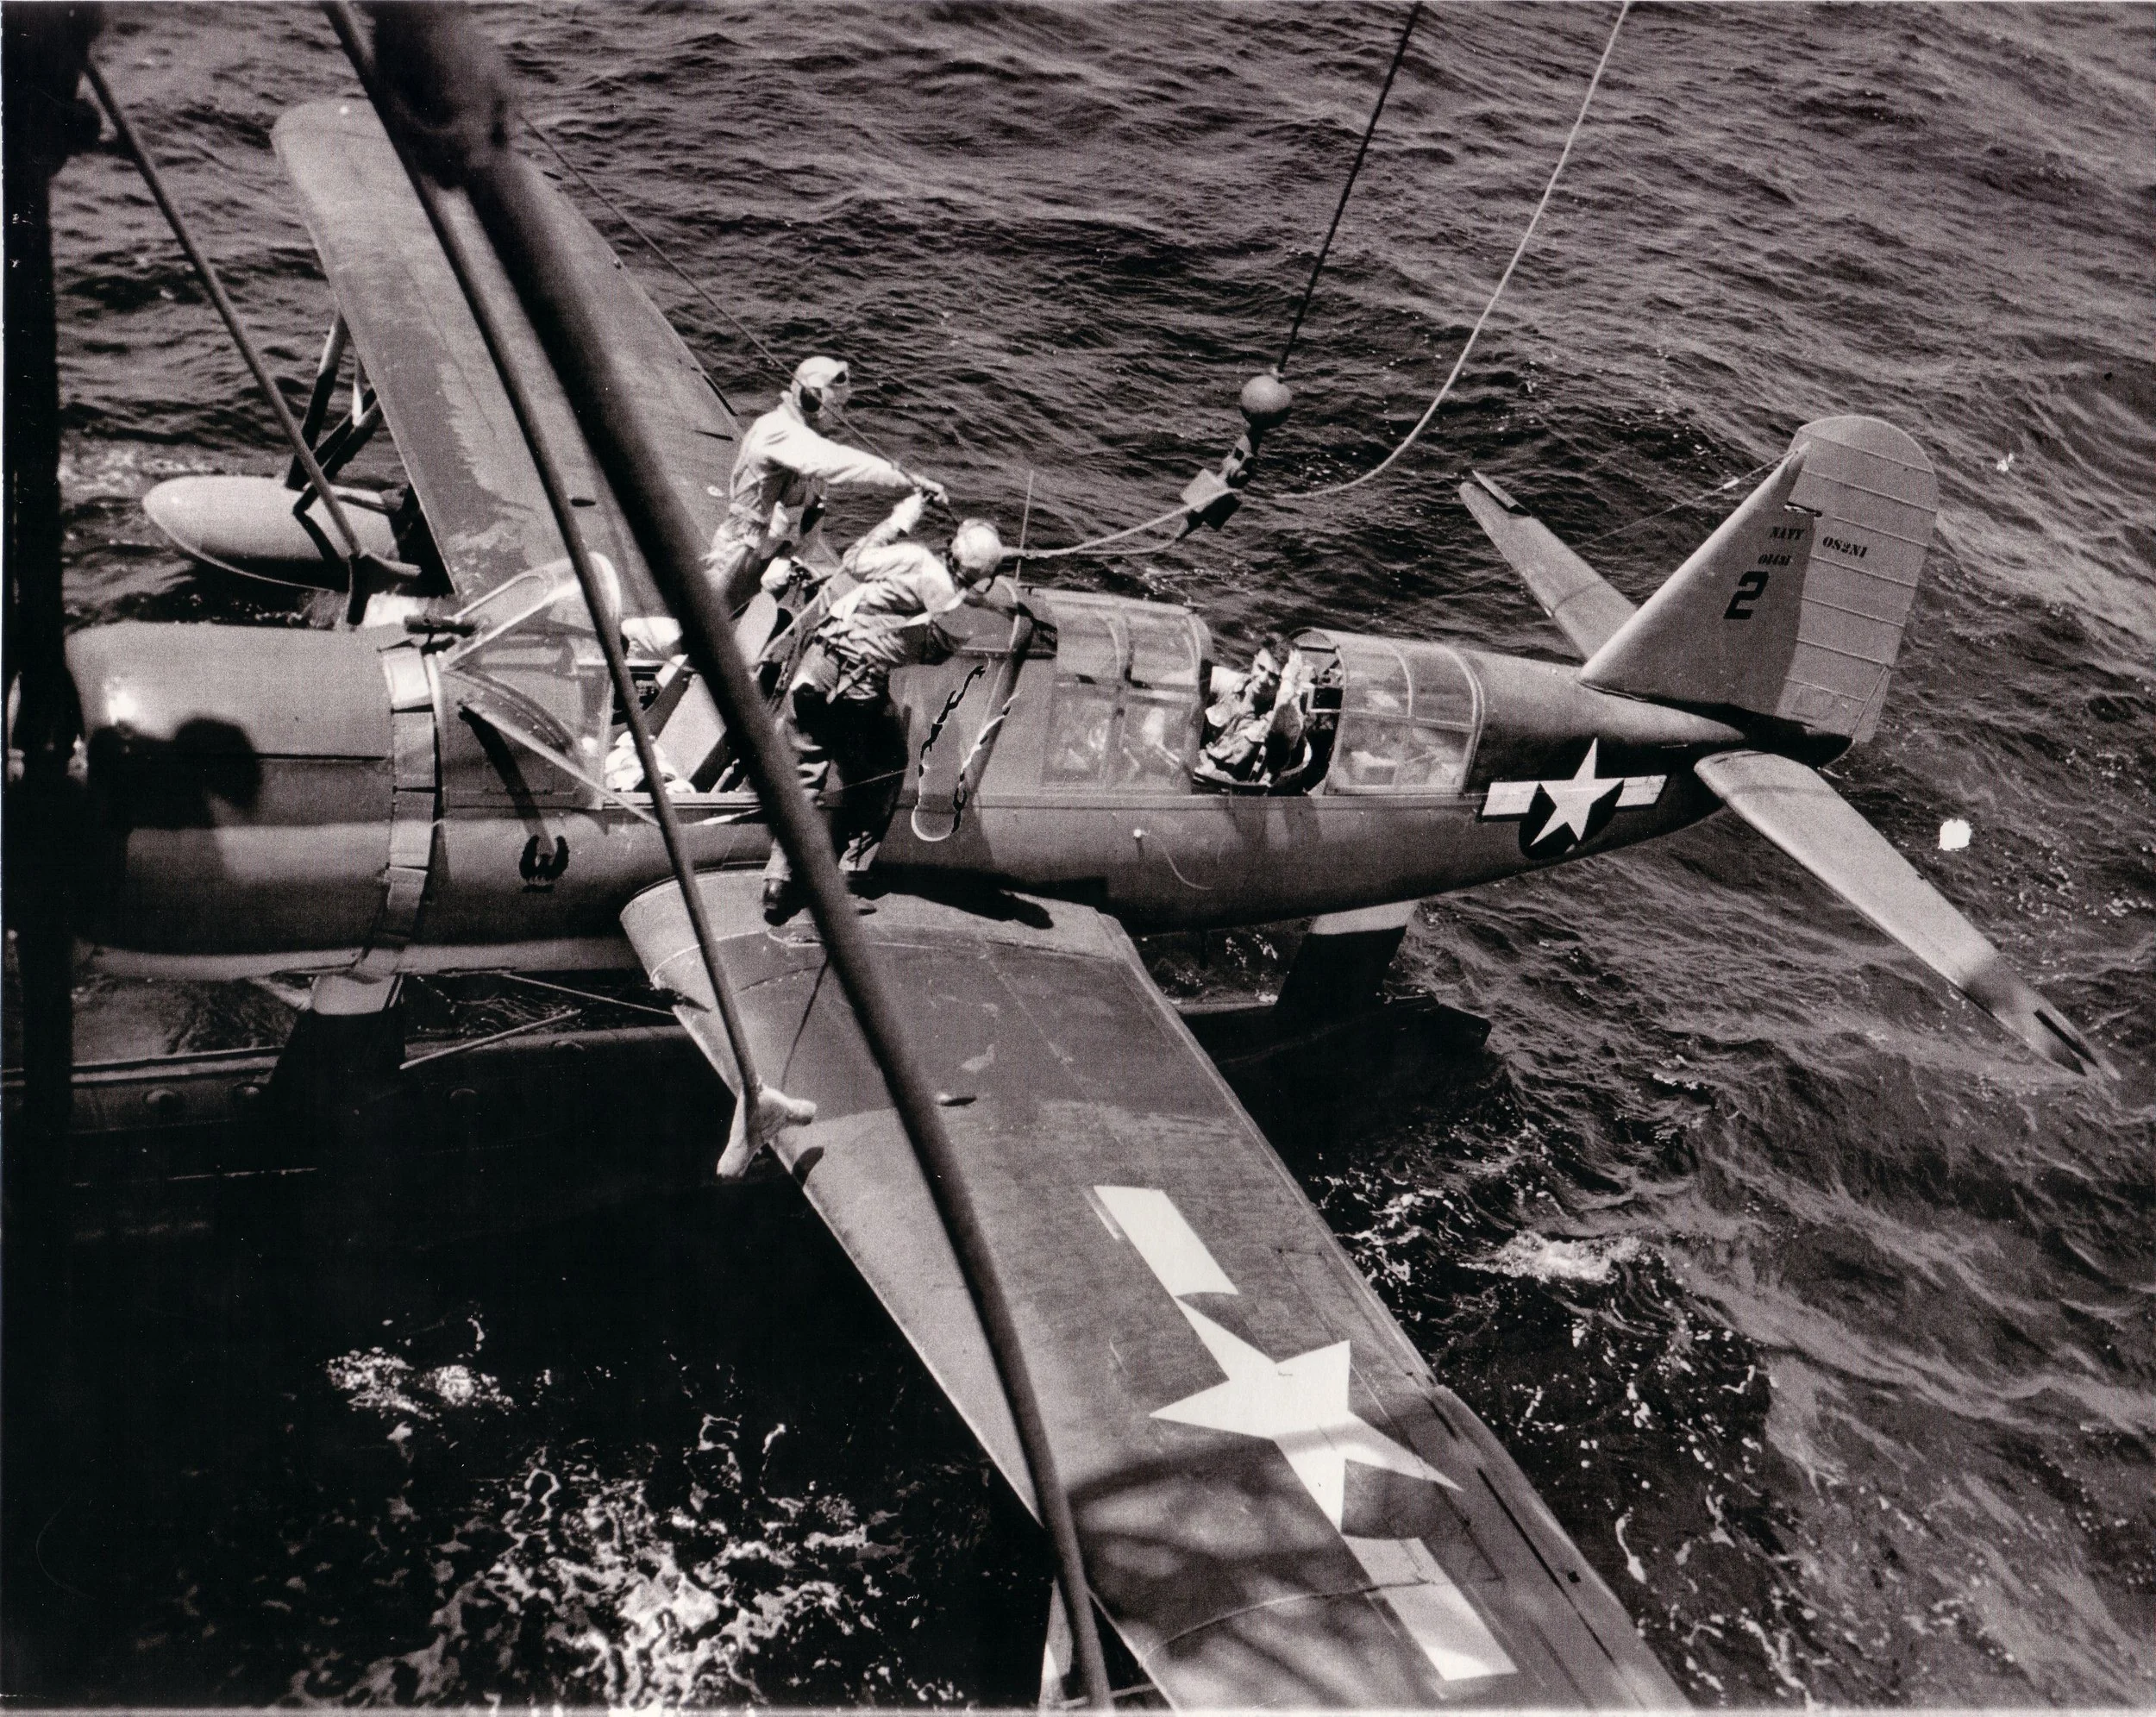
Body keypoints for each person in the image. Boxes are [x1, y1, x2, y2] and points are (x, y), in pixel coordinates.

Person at [760, 498, 1018, 923]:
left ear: (951, 546)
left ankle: (777, 882)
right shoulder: (959, 617)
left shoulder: (915, 558)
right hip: (860, 691)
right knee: (886, 769)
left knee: (803, 774)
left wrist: (902, 518)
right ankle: (850, 876)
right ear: (983, 578)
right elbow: (934, 652)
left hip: (814, 670)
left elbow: (855, 561)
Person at [703, 355, 949, 609]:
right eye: (837, 406)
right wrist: (909, 480)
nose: (840, 415)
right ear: (813, 400)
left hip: (768, 548)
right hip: (741, 548)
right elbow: (838, 462)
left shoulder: (805, 439)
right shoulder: (778, 431)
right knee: (707, 616)